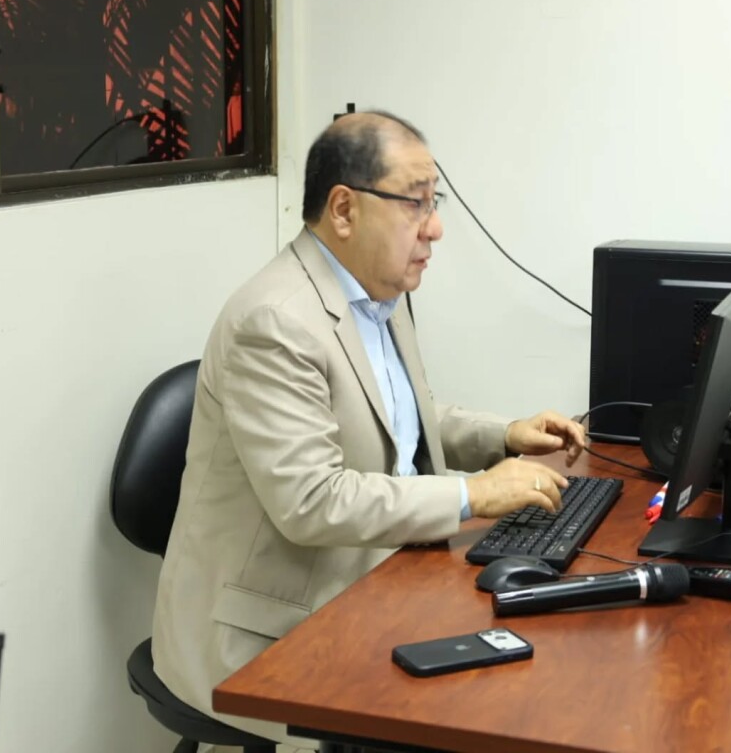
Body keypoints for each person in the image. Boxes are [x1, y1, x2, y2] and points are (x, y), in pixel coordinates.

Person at [151, 111, 586, 744]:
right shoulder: (274, 322)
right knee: (485, 707)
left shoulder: (380, 293)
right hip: (266, 634)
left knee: (533, 662)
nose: (435, 228)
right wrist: (474, 493)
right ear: (344, 210)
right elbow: (312, 501)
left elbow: (398, 416)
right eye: (415, 204)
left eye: (434, 203)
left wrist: (504, 434)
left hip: (376, 576)